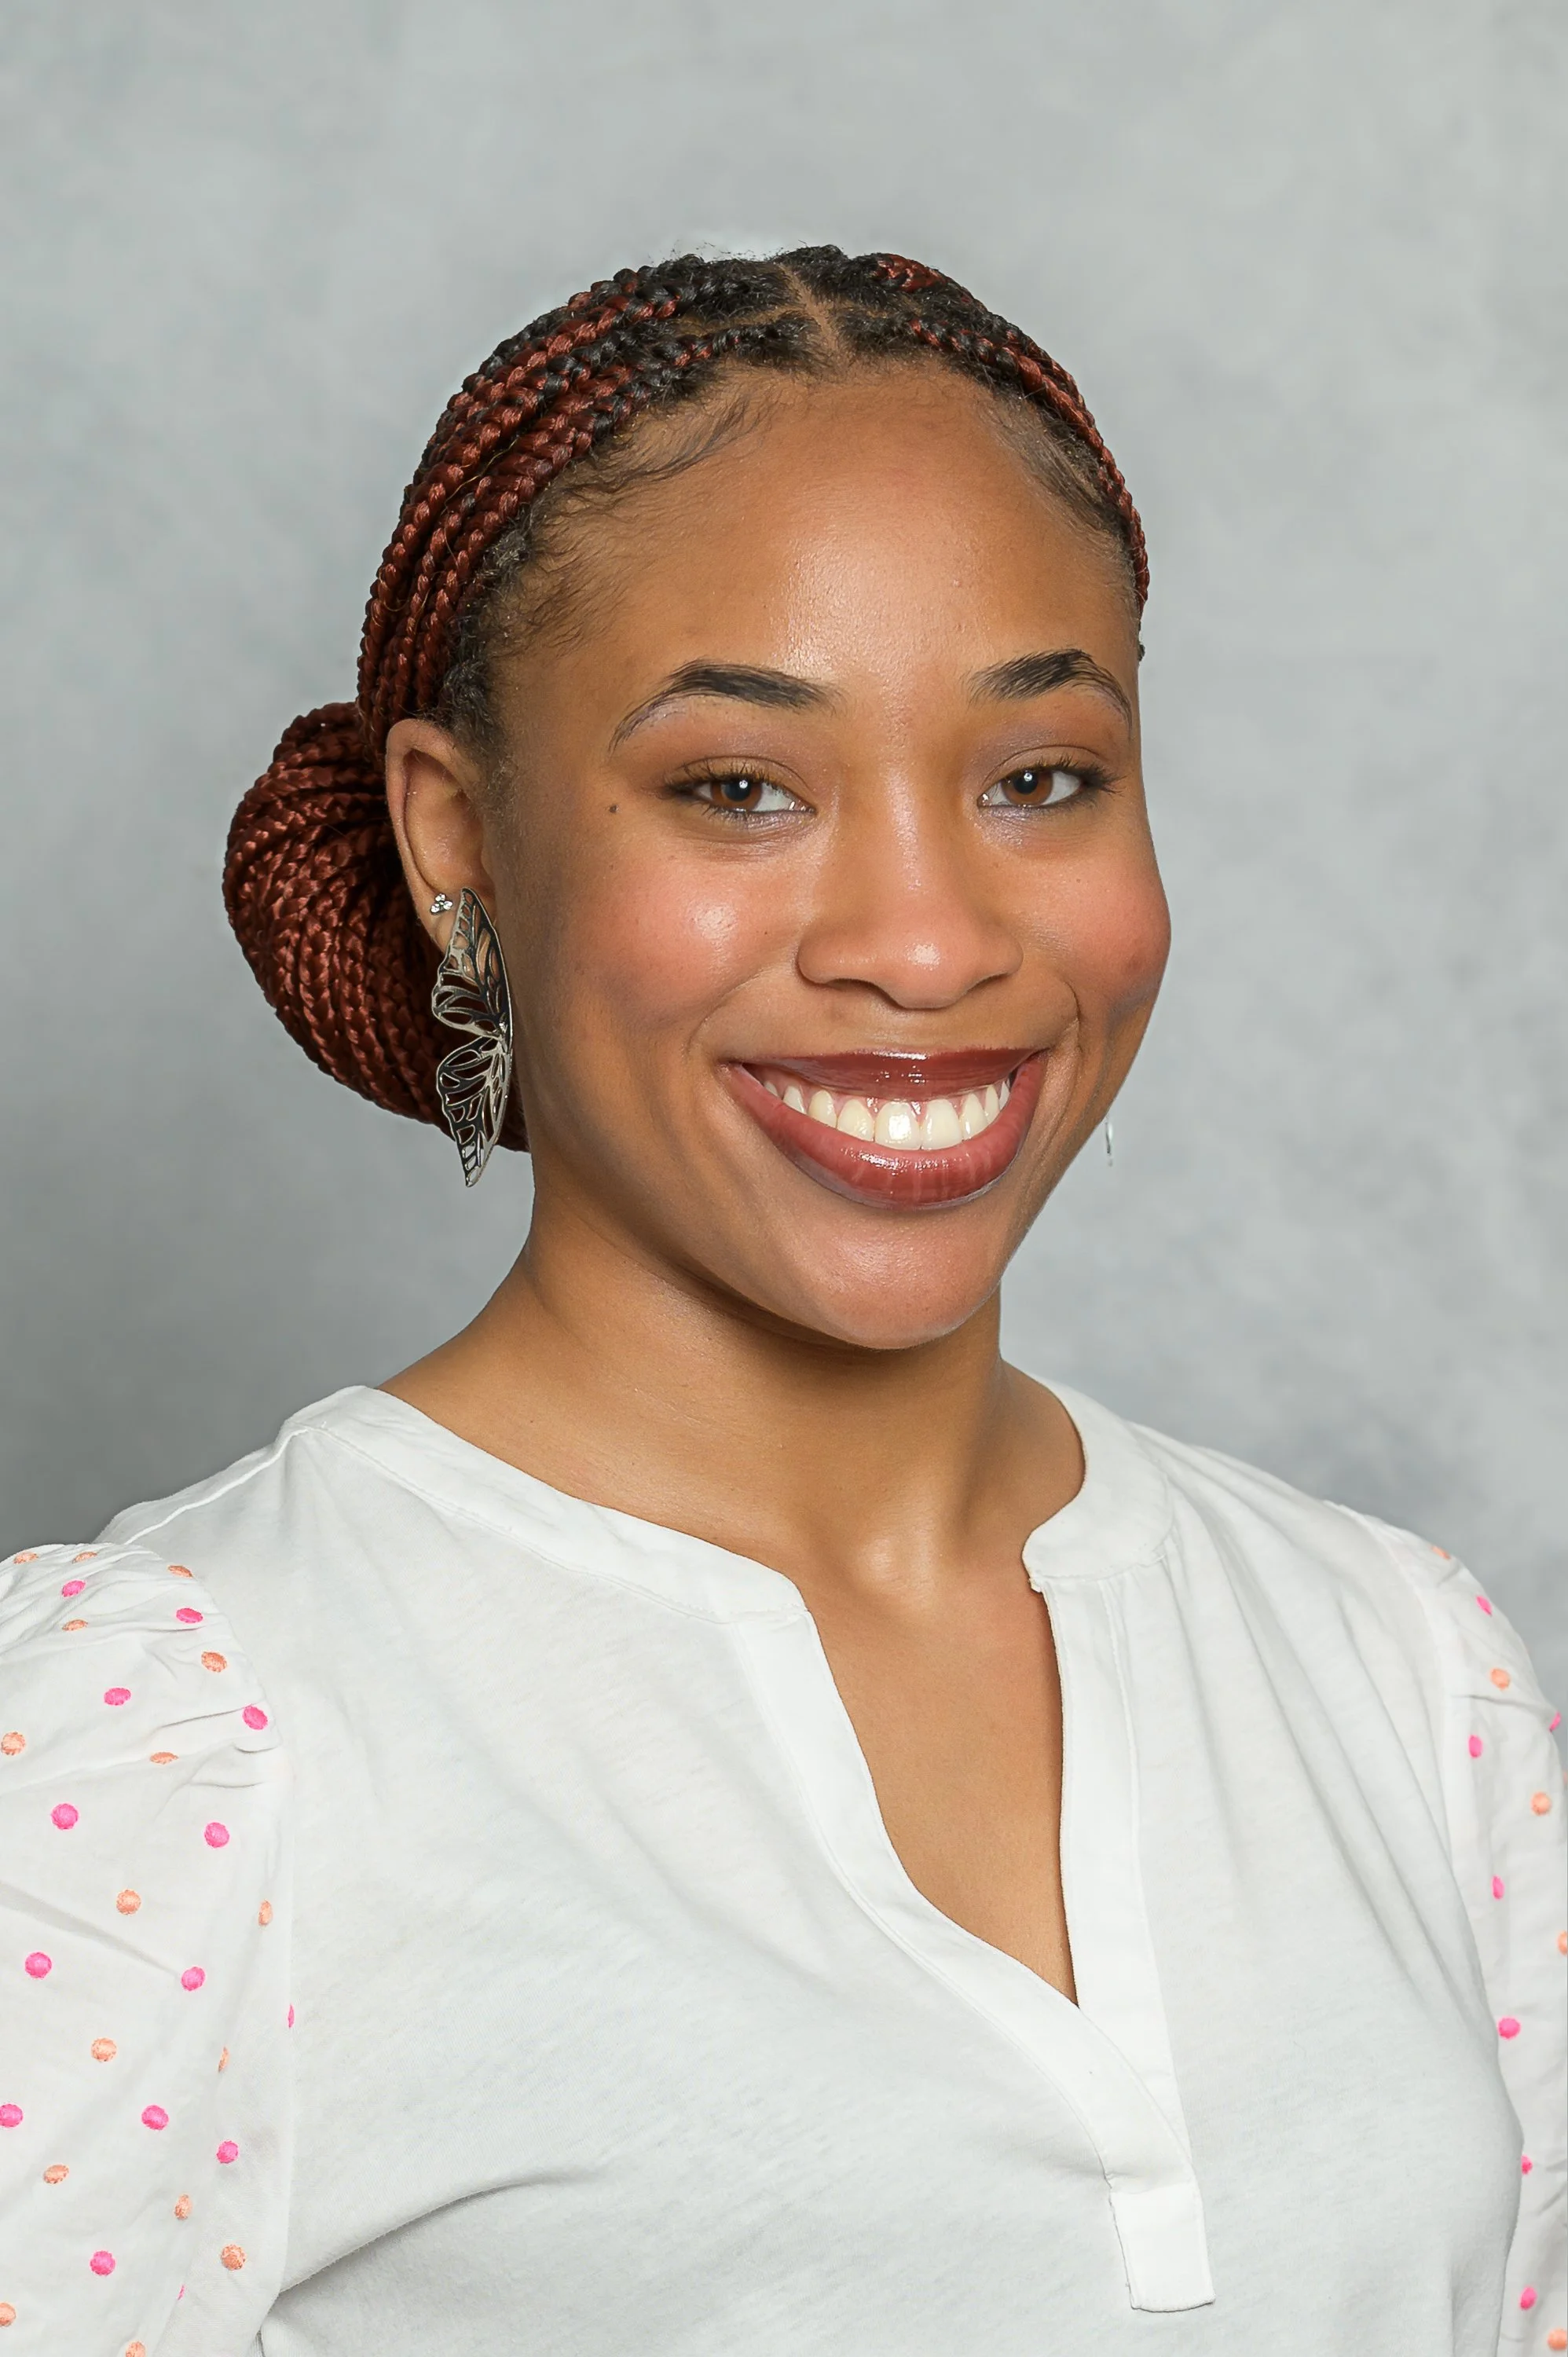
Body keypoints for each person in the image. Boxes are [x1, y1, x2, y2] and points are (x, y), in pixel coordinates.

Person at [0, 248, 1561, 2357]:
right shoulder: (179, 1750)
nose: (924, 943)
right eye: (737, 787)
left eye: (1038, 777)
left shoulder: (1394, 1674)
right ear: (457, 842)